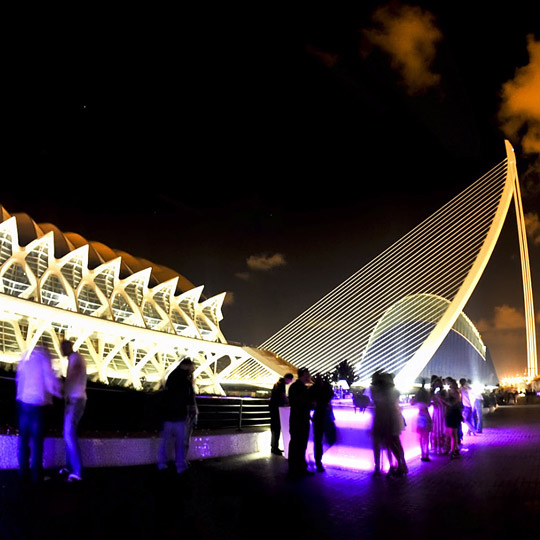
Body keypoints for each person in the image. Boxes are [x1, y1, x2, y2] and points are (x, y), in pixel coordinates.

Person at [15, 344, 62, 483]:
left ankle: (22, 473)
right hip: (37, 405)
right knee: (37, 442)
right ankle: (37, 476)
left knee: (23, 441)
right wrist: (59, 392)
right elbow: (49, 382)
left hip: (23, 403)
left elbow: (19, 378)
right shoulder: (44, 357)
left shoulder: (26, 355)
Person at [158, 358, 198, 475]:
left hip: (168, 415)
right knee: (180, 443)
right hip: (180, 416)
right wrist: (191, 411)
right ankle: (180, 466)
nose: (193, 370)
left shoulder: (171, 377)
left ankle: (162, 464)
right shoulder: (185, 380)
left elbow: (166, 394)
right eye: (192, 367)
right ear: (187, 366)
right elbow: (189, 398)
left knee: (165, 442)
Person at [370, 372, 408, 476]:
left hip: (386, 418)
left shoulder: (381, 391)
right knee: (393, 442)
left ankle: (397, 465)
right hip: (392, 417)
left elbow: (379, 403)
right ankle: (400, 465)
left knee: (390, 443)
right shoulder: (392, 391)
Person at [60, 339, 87, 482]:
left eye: (63, 347)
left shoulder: (76, 358)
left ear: (69, 347)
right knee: (68, 433)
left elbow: (75, 376)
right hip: (74, 400)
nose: (61, 350)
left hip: (75, 400)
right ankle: (70, 467)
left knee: (69, 433)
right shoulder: (74, 358)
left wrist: (63, 387)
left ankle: (77, 471)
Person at [287, 367, 314, 479]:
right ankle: (297, 469)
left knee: (298, 444)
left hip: (297, 420)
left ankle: (297, 468)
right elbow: (301, 403)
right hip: (299, 420)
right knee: (298, 444)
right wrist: (311, 404)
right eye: (308, 374)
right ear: (304, 375)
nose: (310, 376)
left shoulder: (295, 387)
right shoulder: (299, 388)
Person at [309, 374, 336, 473]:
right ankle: (318, 460)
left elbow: (311, 402)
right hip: (324, 416)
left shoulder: (313, 389)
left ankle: (317, 459)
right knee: (325, 439)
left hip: (319, 416)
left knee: (319, 440)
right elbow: (331, 396)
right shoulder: (326, 388)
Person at [269, 373, 294, 455]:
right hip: (277, 409)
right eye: (290, 380)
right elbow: (283, 396)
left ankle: (273, 446)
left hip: (273, 408)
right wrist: (290, 402)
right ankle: (275, 448)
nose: (290, 382)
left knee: (274, 428)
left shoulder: (277, 383)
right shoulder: (281, 384)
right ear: (288, 378)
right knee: (277, 428)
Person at [411, 379, 432, 462]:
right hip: (426, 417)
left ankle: (422, 453)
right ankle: (426, 453)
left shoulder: (417, 399)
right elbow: (429, 404)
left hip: (420, 417)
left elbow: (412, 403)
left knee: (420, 437)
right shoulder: (427, 398)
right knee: (426, 437)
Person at [442, 377, 463, 459]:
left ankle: (453, 451)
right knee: (449, 432)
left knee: (453, 433)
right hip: (449, 413)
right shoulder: (448, 392)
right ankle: (454, 449)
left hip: (454, 414)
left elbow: (451, 404)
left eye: (448, 383)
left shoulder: (456, 393)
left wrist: (442, 399)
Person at [430, 376, 450, 455]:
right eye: (435, 383)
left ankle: (444, 448)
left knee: (442, 429)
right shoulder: (432, 392)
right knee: (436, 429)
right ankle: (436, 448)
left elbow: (447, 402)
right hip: (436, 412)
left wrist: (439, 397)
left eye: (438, 383)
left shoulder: (444, 392)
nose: (437, 385)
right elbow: (430, 401)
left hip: (442, 412)